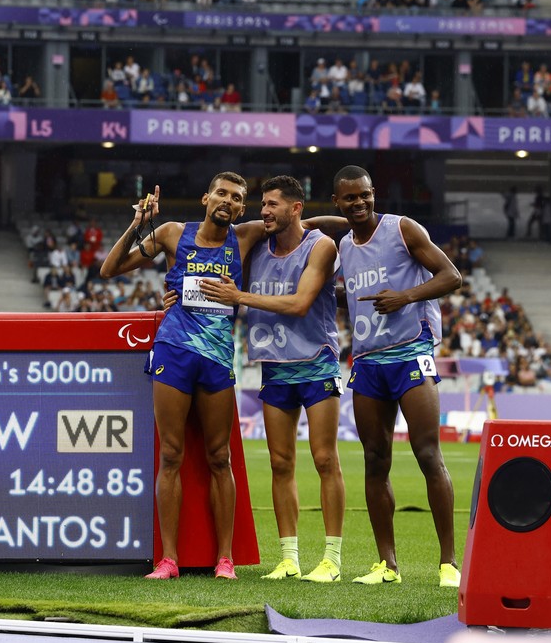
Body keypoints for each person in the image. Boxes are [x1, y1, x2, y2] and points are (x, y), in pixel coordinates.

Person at [101, 174, 261, 580]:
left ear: (242, 208)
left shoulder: (243, 239)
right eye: (221, 193)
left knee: (219, 458)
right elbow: (110, 269)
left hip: (218, 358)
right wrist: (139, 223)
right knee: (171, 455)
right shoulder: (173, 233)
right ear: (206, 197)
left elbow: (304, 222)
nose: (227, 201)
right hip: (173, 352)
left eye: (237, 198)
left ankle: (224, 559)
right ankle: (168, 560)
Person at [197, 176, 346, 584]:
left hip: (317, 362)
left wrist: (240, 298)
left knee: (324, 459)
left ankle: (331, 559)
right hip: (274, 367)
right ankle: (289, 558)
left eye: (273, 204)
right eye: (262, 204)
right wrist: (179, 294)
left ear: (296, 209)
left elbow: (299, 304)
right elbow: (211, 274)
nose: (263, 211)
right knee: (280, 464)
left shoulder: (321, 246)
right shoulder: (256, 250)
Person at [331, 165, 462, 587]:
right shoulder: (343, 247)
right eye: (350, 197)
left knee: (427, 453)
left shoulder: (402, 228)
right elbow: (352, 293)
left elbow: (451, 276)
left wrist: (406, 296)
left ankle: (448, 563)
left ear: (374, 193)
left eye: (365, 194)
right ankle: (387, 565)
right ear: (338, 202)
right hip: (367, 360)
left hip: (410, 353)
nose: (359, 202)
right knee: (374, 459)